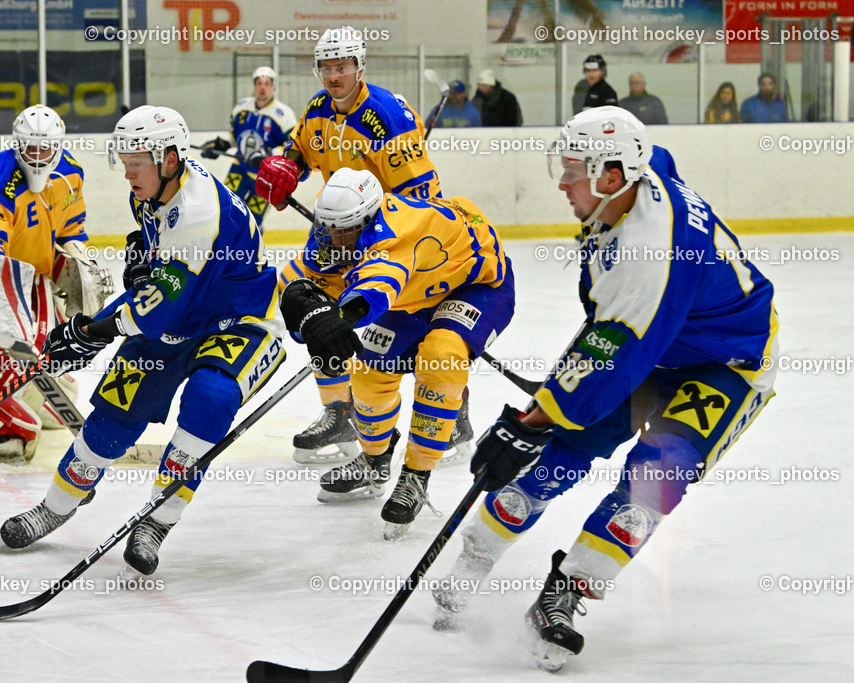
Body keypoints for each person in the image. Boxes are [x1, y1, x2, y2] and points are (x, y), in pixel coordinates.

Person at [433, 107, 778, 672]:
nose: (562, 183)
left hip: (725, 363)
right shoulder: (637, 174)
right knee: (559, 454)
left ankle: (567, 591)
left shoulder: (651, 253)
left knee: (656, 475)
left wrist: (528, 424)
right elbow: (660, 158)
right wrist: (542, 422)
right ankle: (476, 556)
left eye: (573, 172)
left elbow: (616, 353)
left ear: (611, 176)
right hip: (653, 341)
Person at [0, 105, 285, 577]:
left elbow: (155, 308)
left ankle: (158, 520)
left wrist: (90, 331)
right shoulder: (151, 191)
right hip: (180, 313)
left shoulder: (198, 213)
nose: (127, 174)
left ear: (169, 159)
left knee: (211, 398)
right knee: (114, 414)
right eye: (124, 162)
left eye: (137, 164)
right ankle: (56, 506)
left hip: (239, 320)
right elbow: (158, 284)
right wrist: (141, 261)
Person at [255, 26, 472, 466]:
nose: (334, 75)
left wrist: (393, 246)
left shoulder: (387, 115)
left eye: (343, 66)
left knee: (415, 325)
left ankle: (455, 417)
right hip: (334, 232)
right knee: (307, 302)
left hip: (389, 238)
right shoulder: (317, 109)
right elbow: (299, 151)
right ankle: (339, 410)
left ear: (360, 66)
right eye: (327, 67)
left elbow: (421, 194)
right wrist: (286, 170)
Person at [279, 168, 515, 539]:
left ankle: (416, 475)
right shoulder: (336, 229)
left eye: (344, 230)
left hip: (476, 285)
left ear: (368, 220)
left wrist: (341, 319)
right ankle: (374, 460)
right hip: (416, 290)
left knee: (441, 356)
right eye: (328, 227)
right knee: (369, 375)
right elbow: (300, 280)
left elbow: (377, 285)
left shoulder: (397, 234)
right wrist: (300, 309)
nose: (333, 238)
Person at [0, 104, 113, 462]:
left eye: (45, 148)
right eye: (30, 147)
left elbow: (71, 228)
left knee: (46, 334)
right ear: (17, 143)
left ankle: (30, 394)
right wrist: (2, 304)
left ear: (59, 145)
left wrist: (78, 261)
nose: (38, 155)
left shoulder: (70, 173)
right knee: (4, 336)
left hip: (19, 260)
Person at [199, 67, 297, 231]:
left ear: (273, 87)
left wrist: (269, 157)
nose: (262, 87)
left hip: (266, 177)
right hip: (240, 169)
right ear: (254, 86)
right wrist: (221, 145)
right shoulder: (242, 107)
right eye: (259, 83)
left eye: (267, 83)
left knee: (252, 221)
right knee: (225, 208)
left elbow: (292, 147)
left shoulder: (284, 115)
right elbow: (235, 136)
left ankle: (252, 246)